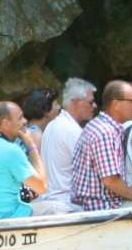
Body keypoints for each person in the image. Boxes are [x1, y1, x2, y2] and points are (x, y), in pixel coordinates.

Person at [0, 101, 69, 221]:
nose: (25, 121)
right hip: (7, 221)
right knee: (60, 208)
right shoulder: (10, 150)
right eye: (20, 118)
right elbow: (42, 187)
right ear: (5, 123)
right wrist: (31, 146)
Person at [70, 79, 132, 211]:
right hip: (101, 210)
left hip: (104, 205)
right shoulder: (105, 132)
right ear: (115, 104)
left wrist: (131, 189)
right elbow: (111, 180)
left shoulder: (102, 126)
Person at [37, 77, 95, 209]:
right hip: (66, 204)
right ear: (75, 102)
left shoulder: (52, 125)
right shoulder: (72, 131)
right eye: (90, 102)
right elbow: (90, 173)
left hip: (50, 200)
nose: (95, 106)